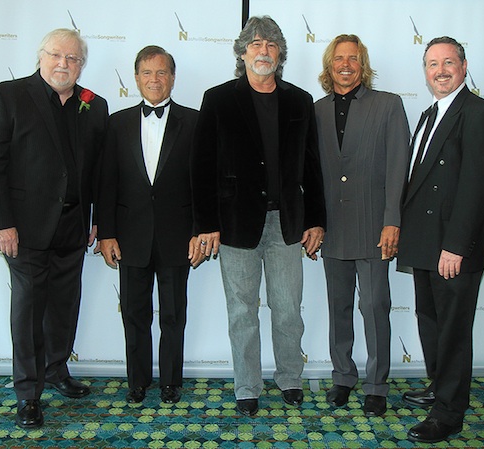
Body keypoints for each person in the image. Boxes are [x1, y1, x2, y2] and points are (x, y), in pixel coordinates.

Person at [190, 15, 326, 417]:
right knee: (241, 313)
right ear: (242, 52)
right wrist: (205, 225)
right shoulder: (218, 99)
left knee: (287, 310)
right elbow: (201, 166)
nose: (262, 51)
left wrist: (316, 219)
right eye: (255, 44)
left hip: (288, 225)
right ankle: (247, 386)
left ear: (280, 53)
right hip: (234, 226)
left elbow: (312, 166)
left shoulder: (300, 100)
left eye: (270, 44)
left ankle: (289, 379)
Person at [0, 29, 108, 429]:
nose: (64, 64)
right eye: (57, 55)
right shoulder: (9, 95)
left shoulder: (94, 105)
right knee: (30, 313)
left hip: (73, 227)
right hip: (25, 230)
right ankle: (28, 393)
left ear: (82, 65)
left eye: (73, 59)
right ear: (41, 56)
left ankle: (56, 370)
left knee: (65, 307)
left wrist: (99, 218)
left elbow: (101, 169)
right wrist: (2, 223)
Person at [399, 36, 484, 443]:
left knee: (453, 332)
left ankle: (449, 414)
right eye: (431, 64)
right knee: (431, 324)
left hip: (452, 248)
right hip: (425, 242)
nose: (440, 70)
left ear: (463, 65)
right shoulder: (429, 114)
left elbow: (478, 187)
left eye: (447, 62)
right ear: (425, 72)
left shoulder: (480, 114)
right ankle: (438, 386)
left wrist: (456, 246)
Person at [314, 34, 410, 417]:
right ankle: (342, 377)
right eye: (339, 58)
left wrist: (392, 222)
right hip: (332, 228)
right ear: (329, 64)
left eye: (353, 58)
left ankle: (376, 385)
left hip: (374, 227)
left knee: (374, 306)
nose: (346, 64)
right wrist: (313, 223)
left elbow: (398, 168)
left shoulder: (388, 105)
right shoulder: (316, 110)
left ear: (362, 64)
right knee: (338, 307)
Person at [98, 46, 198, 405]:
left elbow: (202, 184)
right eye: (147, 73)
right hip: (130, 237)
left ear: (172, 77)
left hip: (178, 237)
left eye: (162, 73)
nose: (154, 80)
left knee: (173, 316)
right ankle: (137, 381)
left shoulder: (195, 121)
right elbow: (106, 182)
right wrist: (106, 232)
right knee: (135, 316)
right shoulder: (117, 122)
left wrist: (200, 231)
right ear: (136, 78)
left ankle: (171, 381)